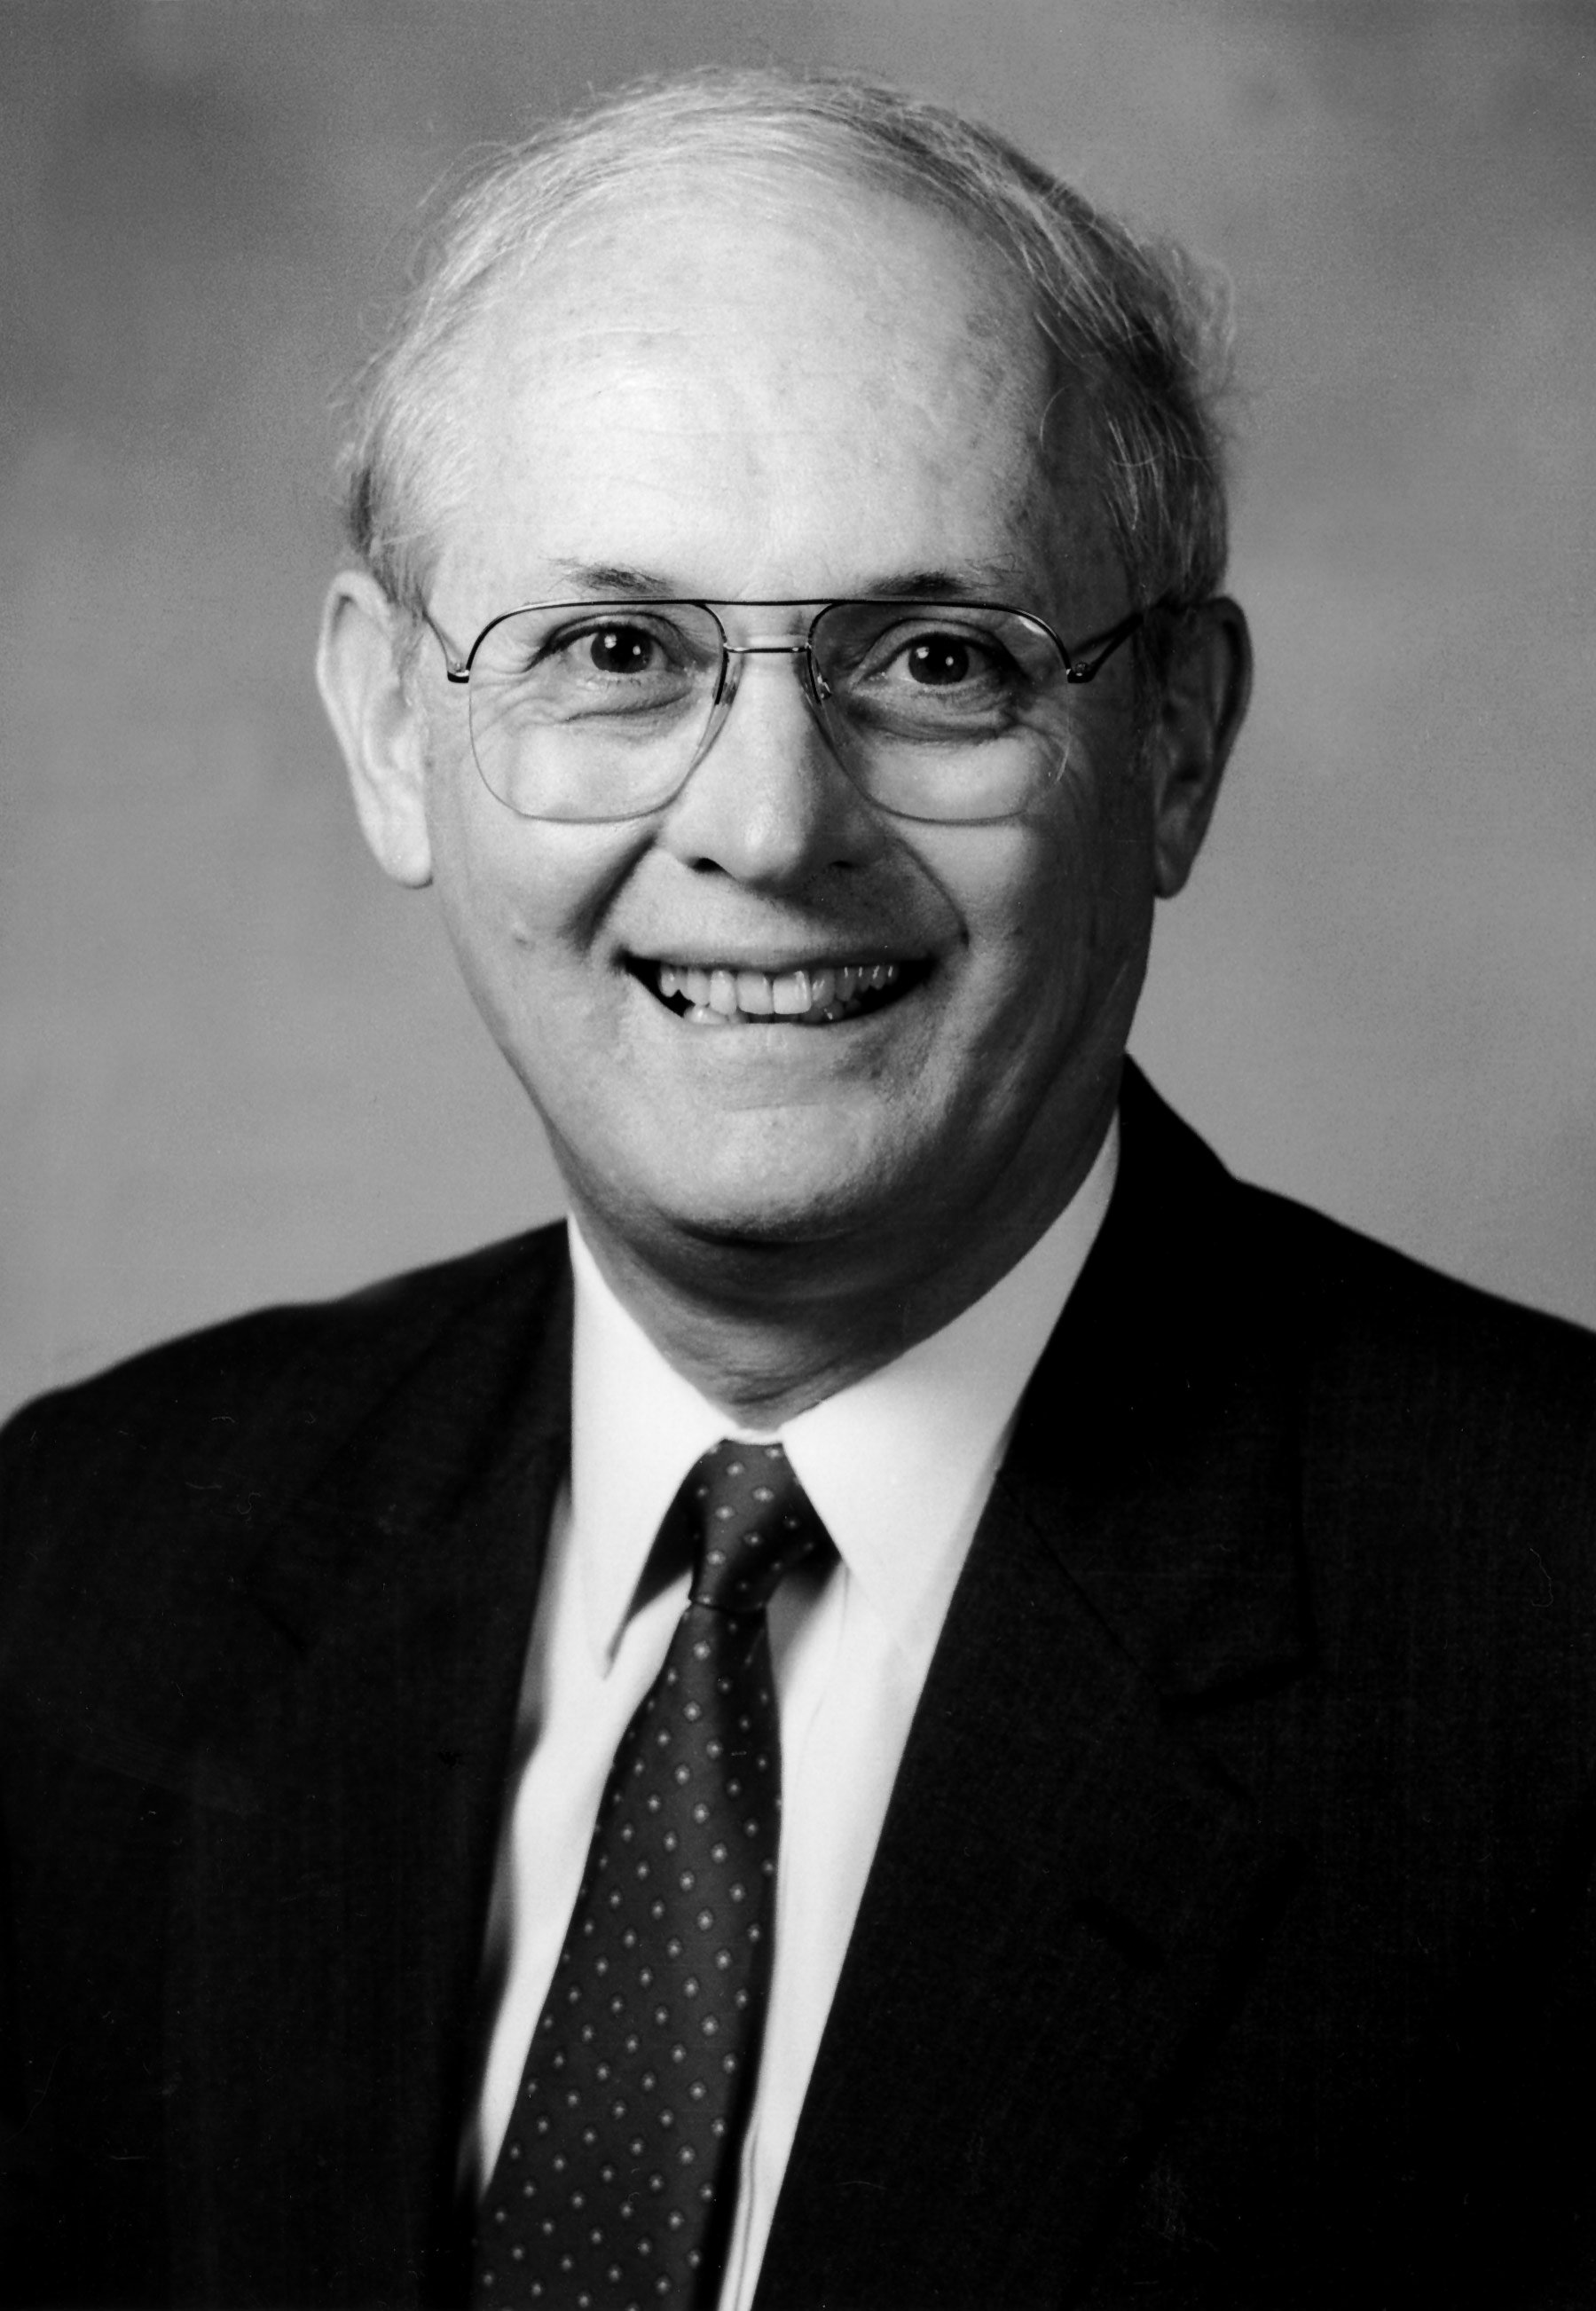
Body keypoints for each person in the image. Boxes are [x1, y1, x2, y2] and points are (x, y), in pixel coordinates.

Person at [1, 65, 1592, 2311]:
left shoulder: (1551, 1655)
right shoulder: (81, 1575)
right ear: (392, 729)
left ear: (1176, 749)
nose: (768, 824)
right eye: (617, 653)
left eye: (936, 660)